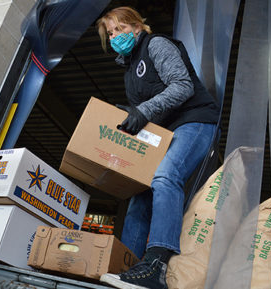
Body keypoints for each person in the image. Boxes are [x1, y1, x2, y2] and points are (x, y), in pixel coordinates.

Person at [96, 6, 220, 289]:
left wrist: (143, 110)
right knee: (140, 194)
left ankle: (156, 266)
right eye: (111, 33)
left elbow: (182, 85)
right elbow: (148, 111)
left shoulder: (156, 45)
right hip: (165, 133)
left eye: (121, 29)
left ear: (137, 27)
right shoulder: (129, 72)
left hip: (196, 122)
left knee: (166, 176)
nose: (116, 36)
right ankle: (127, 267)